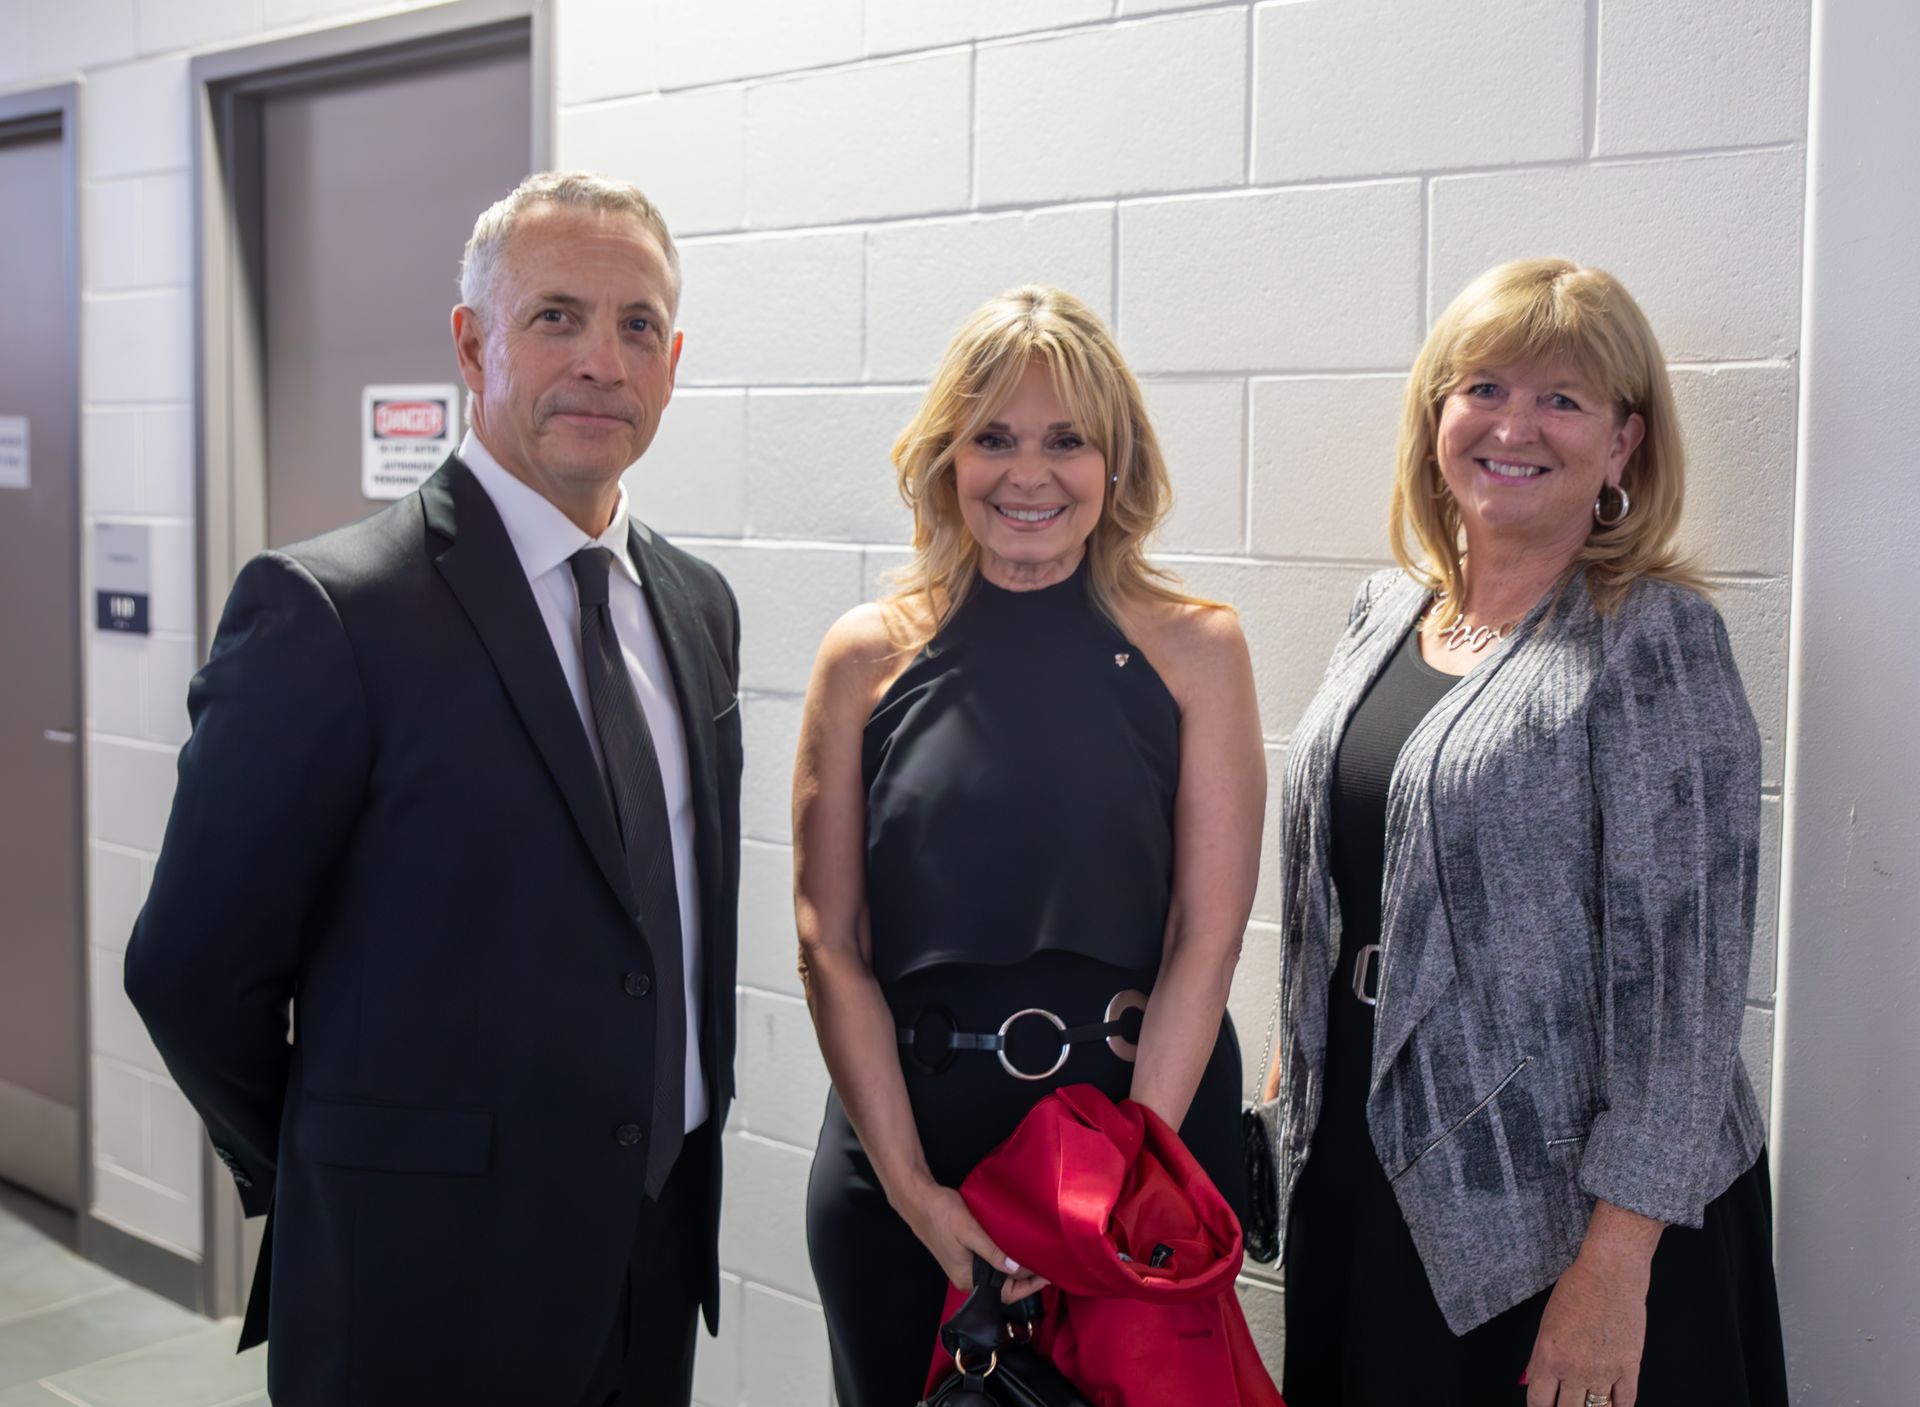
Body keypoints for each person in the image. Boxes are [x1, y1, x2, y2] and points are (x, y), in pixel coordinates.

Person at [124, 172, 742, 1407]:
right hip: (417, 1275)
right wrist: (332, 1166)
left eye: (635, 327)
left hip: (649, 1252)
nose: (601, 364)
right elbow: (190, 972)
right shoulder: (334, 611)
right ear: (473, 343)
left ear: (673, 359)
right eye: (555, 316)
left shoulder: (694, 606)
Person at [1263, 257, 1789, 1407]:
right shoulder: (1383, 611)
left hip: (1562, 1215)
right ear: (1437, 416)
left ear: (1622, 444)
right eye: (1484, 388)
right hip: (1367, 1158)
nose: (1515, 424)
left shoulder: (1653, 639)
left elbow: (1689, 996)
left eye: (1564, 399)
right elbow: (1344, 877)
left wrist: (1616, 1267)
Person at [793, 284, 1266, 1407]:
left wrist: (1121, 1186)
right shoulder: (866, 655)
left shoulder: (1197, 649)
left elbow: (1210, 933)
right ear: (946, 458)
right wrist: (916, 1194)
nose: (1028, 474)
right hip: (908, 1154)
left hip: (1133, 1155)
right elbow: (831, 940)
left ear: (1117, 464)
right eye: (993, 438)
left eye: (1067, 440)